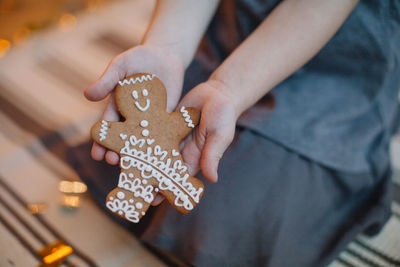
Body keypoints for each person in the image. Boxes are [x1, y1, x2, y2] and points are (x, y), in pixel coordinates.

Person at [83, 0, 400, 266]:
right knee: (130, 168)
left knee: (232, 223)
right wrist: (166, 48)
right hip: (229, 37)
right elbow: (124, 130)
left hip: (332, 77)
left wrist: (228, 89)